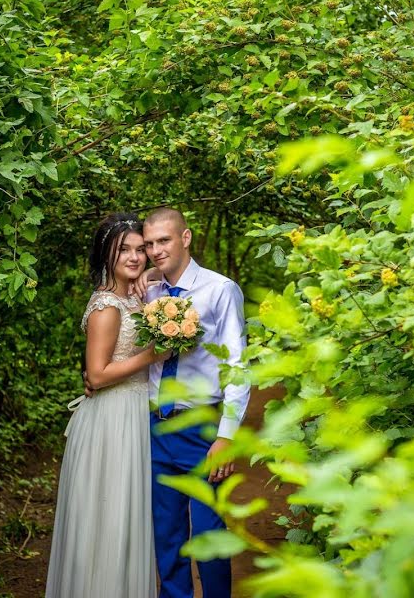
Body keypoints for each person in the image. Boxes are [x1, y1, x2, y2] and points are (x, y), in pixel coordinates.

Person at [45, 213, 167, 598]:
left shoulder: (137, 293)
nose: (134, 258)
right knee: (108, 518)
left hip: (133, 414)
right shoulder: (106, 305)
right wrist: (153, 355)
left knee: (128, 516)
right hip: (111, 419)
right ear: (106, 255)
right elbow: (96, 375)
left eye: (139, 249)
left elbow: (150, 276)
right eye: (123, 251)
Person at [140, 207, 250, 598]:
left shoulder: (220, 289)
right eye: (149, 243)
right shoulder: (148, 290)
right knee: (167, 536)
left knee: (207, 534)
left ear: (185, 238)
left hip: (202, 428)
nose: (155, 250)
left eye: (164, 240)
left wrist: (226, 437)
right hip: (155, 427)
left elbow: (238, 367)